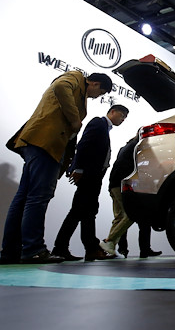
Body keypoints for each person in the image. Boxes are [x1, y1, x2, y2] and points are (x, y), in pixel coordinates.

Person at [0, 71, 112, 264]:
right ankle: (34, 249)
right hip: (46, 144)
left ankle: (11, 251)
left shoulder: (78, 88)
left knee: (24, 198)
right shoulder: (75, 77)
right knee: (38, 197)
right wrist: (75, 120)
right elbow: (60, 87)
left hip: (38, 143)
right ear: (94, 83)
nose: (97, 97)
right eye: (100, 93)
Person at [51, 104, 128, 261]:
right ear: (112, 112)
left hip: (94, 176)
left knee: (88, 212)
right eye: (122, 115)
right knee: (78, 211)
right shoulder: (98, 123)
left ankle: (90, 248)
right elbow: (83, 145)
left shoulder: (105, 128)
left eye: (125, 118)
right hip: (88, 175)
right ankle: (61, 248)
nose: (123, 119)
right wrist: (78, 169)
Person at [99, 136, 162, 259]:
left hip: (114, 184)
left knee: (120, 217)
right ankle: (108, 241)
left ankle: (115, 248)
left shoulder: (125, 147)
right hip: (123, 185)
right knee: (132, 215)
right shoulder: (139, 148)